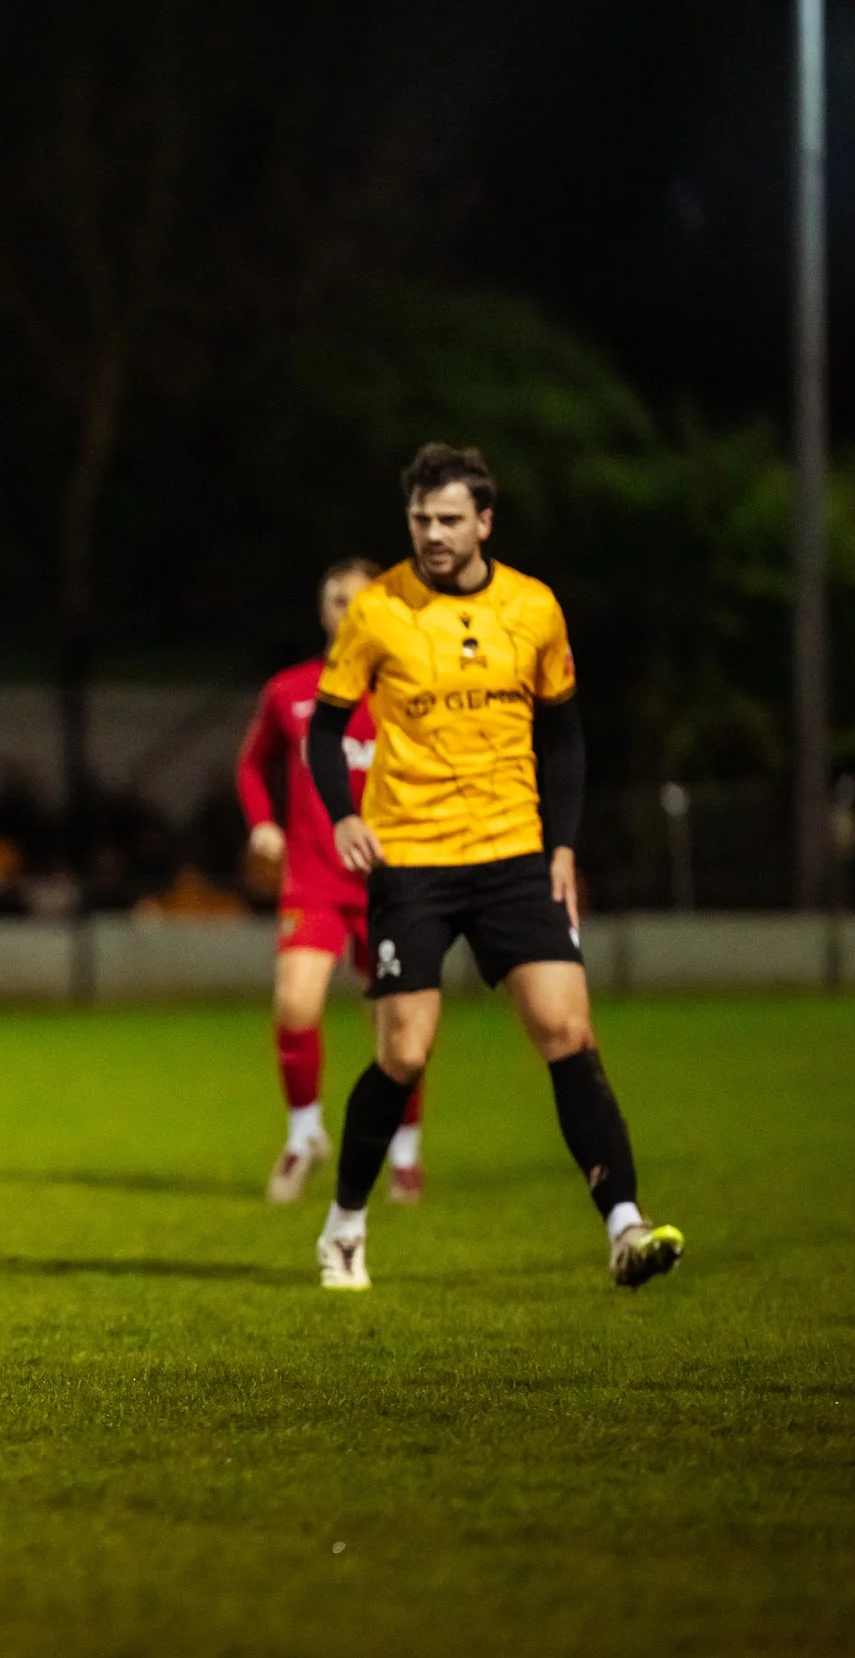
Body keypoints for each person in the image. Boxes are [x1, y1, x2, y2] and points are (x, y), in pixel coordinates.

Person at [307, 445, 685, 1291]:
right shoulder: (375, 612)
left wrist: (564, 843)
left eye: (448, 519)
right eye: (419, 520)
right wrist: (342, 816)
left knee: (567, 1032)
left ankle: (624, 1225)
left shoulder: (533, 608)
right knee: (404, 1052)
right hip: (412, 855)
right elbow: (326, 729)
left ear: (484, 521)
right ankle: (345, 1222)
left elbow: (564, 734)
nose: (432, 534)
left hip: (514, 853)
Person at [236, 560, 427, 1205]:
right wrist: (263, 824)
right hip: (313, 882)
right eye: (334, 598)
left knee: (399, 1026)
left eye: (357, 598)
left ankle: (404, 1154)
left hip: (392, 885)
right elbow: (252, 766)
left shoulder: (410, 690)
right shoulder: (290, 691)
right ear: (322, 611)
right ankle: (304, 1134)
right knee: (294, 1005)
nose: (344, 608)